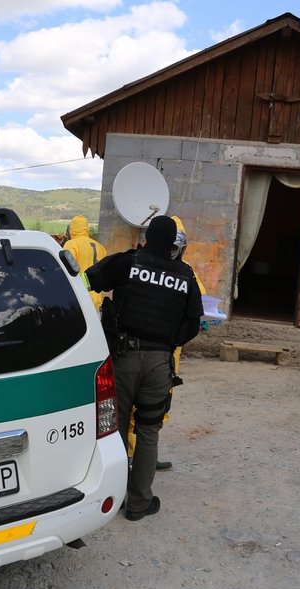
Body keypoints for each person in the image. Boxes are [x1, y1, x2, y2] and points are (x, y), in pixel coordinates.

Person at [84, 215, 203, 521]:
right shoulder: (186, 276)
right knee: (149, 432)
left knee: (117, 429)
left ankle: (114, 496)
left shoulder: (128, 263)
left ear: (148, 238)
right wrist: (167, 344)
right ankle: (139, 504)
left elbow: (89, 280)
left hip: (123, 359)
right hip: (159, 364)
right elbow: (194, 323)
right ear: (174, 244)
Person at [126, 215, 206, 471]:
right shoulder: (174, 273)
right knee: (134, 413)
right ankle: (133, 459)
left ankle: (141, 458)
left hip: (162, 354)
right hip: (158, 353)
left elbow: (198, 303)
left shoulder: (184, 273)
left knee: (154, 411)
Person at [62, 214, 107, 310]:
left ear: (72, 228)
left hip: (79, 300)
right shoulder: (100, 247)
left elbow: (64, 269)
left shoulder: (72, 244)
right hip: (97, 301)